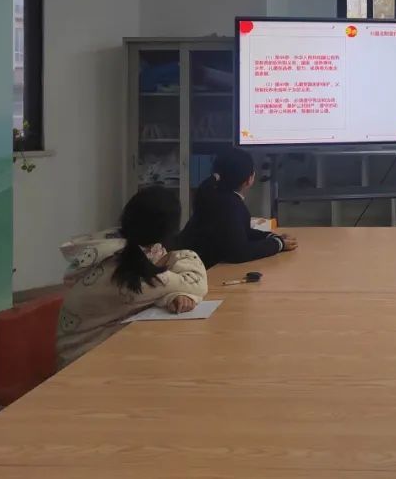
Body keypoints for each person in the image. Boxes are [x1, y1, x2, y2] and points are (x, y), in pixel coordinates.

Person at [56, 187, 208, 368]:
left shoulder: (114, 245)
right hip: (81, 365)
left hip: (88, 350)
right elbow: (195, 284)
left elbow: (154, 292)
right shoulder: (126, 271)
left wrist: (171, 296)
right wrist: (176, 286)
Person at [177, 149, 297, 268]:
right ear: (249, 179)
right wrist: (278, 244)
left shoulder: (210, 193)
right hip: (199, 270)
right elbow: (239, 252)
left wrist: (271, 237)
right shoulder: (230, 205)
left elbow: (241, 233)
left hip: (184, 262)